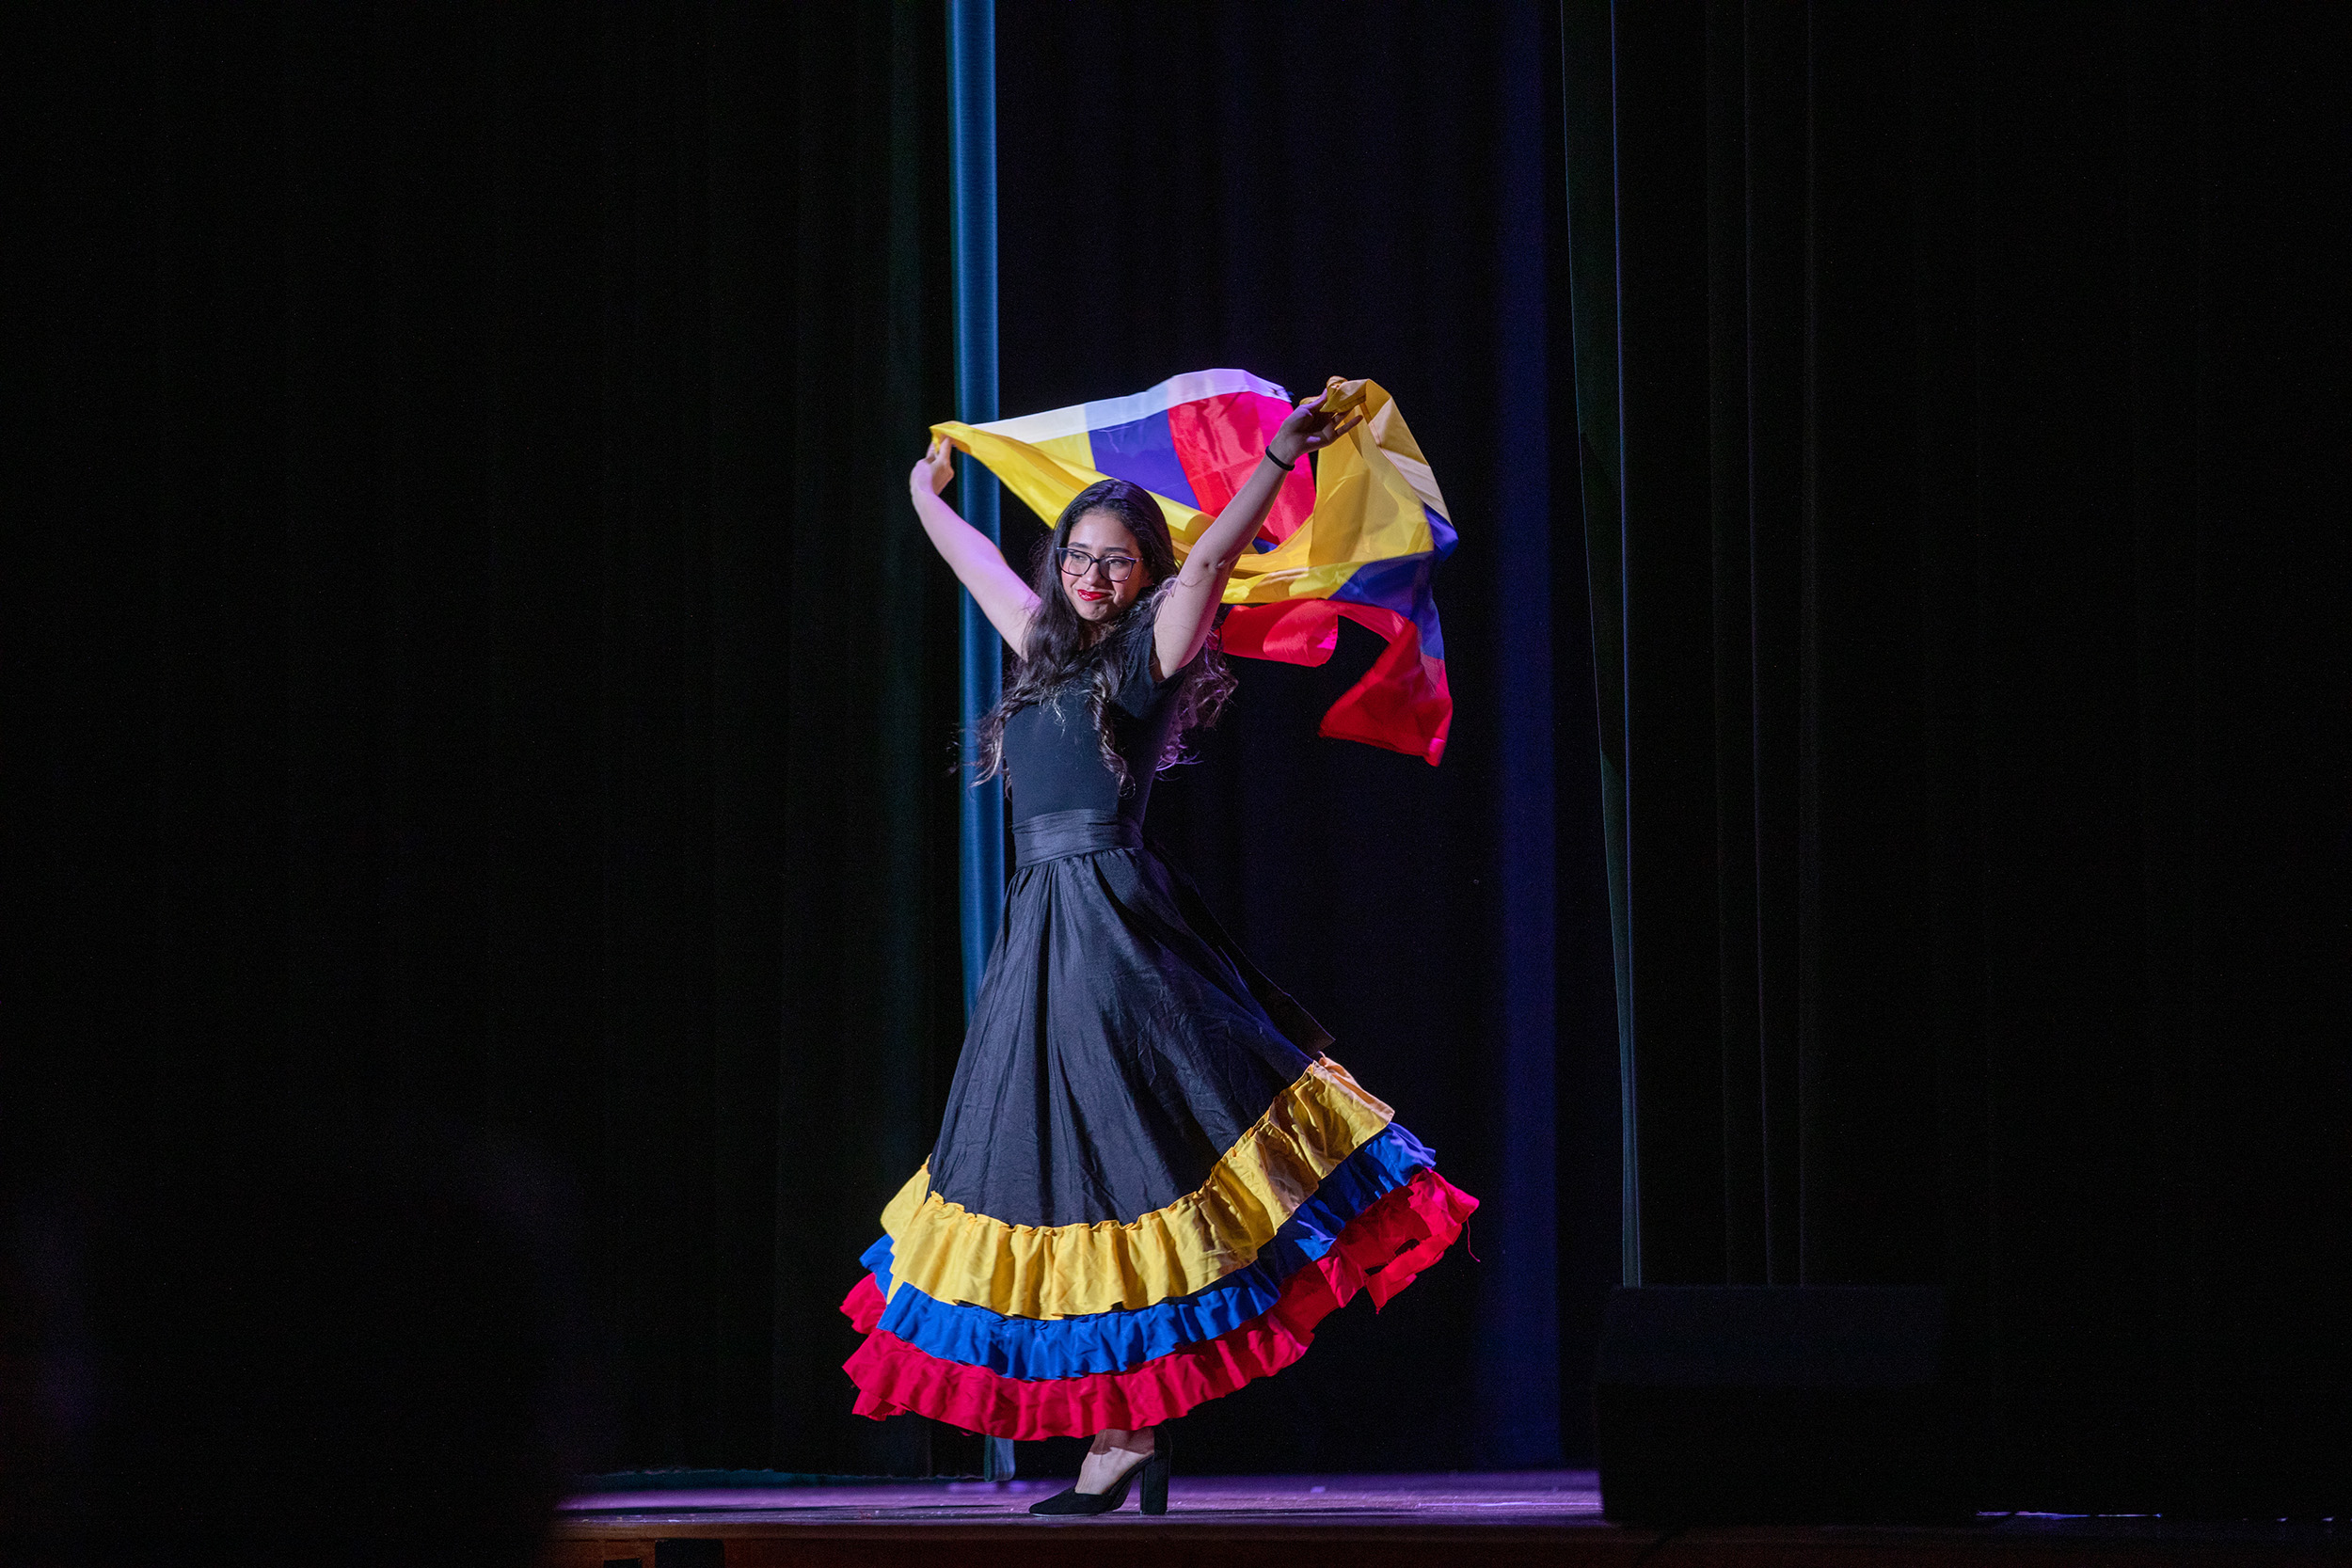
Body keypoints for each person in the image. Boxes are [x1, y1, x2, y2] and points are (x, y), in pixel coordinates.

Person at [838, 389, 1478, 1516]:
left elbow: (1210, 565)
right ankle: (1124, 1432)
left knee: (1113, 1165)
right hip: (1040, 933)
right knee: (1065, 1174)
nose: (1091, 574)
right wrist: (922, 498)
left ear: (1142, 576)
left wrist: (1277, 457)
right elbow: (980, 561)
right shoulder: (1038, 651)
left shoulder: (1147, 659)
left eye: (1116, 561)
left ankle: (1124, 1434)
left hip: (1109, 928)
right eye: (1078, 556)